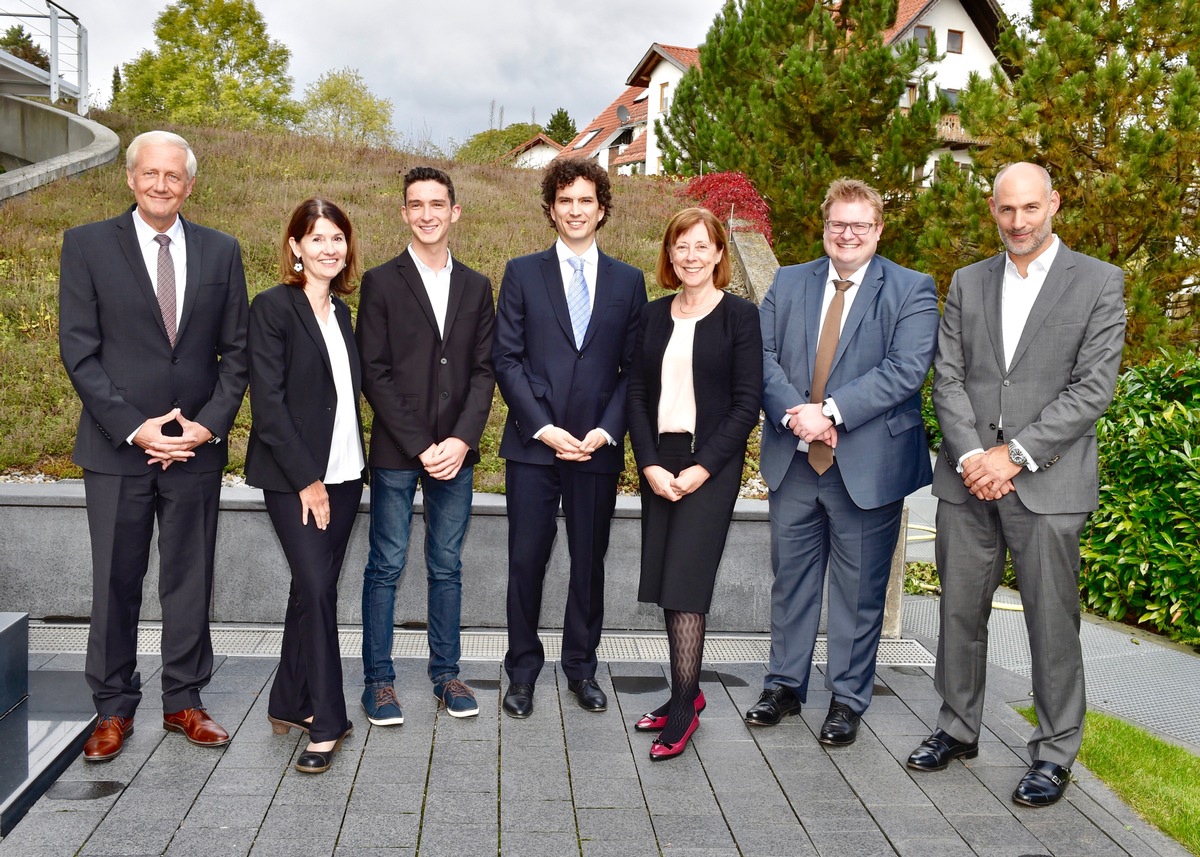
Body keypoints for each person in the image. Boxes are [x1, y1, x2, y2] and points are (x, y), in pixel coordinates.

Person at [907, 163, 1125, 807]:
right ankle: (957, 727)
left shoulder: (1098, 282)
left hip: (1048, 485)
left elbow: (1093, 387)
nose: (1019, 222)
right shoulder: (969, 283)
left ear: (1054, 203)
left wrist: (1015, 456)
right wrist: (976, 456)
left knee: (1052, 624)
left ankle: (1054, 753)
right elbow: (947, 378)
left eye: (1031, 208)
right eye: (1007, 210)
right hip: (966, 480)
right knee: (958, 612)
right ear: (993, 210)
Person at [59, 130, 249, 762]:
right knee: (115, 580)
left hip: (196, 450)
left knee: (189, 580)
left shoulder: (222, 252)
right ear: (131, 178)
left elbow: (236, 355)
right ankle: (112, 709)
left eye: (174, 176)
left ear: (189, 185)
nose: (162, 184)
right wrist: (136, 427)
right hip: (118, 450)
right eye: (151, 174)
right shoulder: (86, 245)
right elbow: (79, 352)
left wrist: (207, 425)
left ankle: (184, 701)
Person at [750, 178, 939, 745]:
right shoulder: (787, 282)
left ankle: (847, 699)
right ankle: (783, 685)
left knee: (860, 592)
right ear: (824, 226)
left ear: (879, 229)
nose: (848, 234)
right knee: (791, 582)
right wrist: (795, 415)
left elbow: (907, 369)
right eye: (838, 224)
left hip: (867, 465)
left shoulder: (911, 288)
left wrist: (829, 412)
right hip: (794, 457)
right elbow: (757, 356)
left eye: (860, 224)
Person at [493, 157, 647, 718]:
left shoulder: (629, 281)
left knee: (588, 561)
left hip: (597, 449)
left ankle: (582, 668)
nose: (576, 210)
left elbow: (633, 369)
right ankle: (522, 672)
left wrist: (607, 430)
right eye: (565, 201)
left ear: (601, 209)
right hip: (535, 446)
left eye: (586, 200)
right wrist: (544, 427)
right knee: (526, 561)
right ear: (551, 210)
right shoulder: (521, 273)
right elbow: (506, 358)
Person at [356, 167, 495, 725]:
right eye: (417, 204)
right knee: (386, 564)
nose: (428, 213)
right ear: (404, 213)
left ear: (455, 212)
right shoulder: (381, 281)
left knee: (446, 564)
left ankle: (446, 675)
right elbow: (375, 371)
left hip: (456, 454)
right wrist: (420, 445)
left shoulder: (477, 285)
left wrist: (460, 440)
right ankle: (379, 682)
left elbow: (484, 372)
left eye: (438, 204)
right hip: (397, 451)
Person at [627, 208, 762, 761]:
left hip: (711, 463)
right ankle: (685, 690)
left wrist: (702, 467)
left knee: (687, 583)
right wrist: (650, 464)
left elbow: (746, 402)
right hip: (662, 458)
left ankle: (684, 710)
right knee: (666, 579)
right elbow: (635, 392)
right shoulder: (653, 316)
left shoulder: (740, 318)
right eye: (681, 245)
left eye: (701, 245)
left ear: (718, 254)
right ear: (669, 253)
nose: (690, 255)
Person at [244, 198, 366, 774]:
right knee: (318, 590)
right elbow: (267, 406)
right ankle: (328, 717)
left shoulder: (342, 314)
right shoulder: (271, 308)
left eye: (337, 238)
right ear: (295, 245)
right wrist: (308, 481)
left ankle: (286, 701)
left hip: (346, 474)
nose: (328, 248)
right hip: (297, 480)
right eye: (316, 238)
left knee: (307, 590)